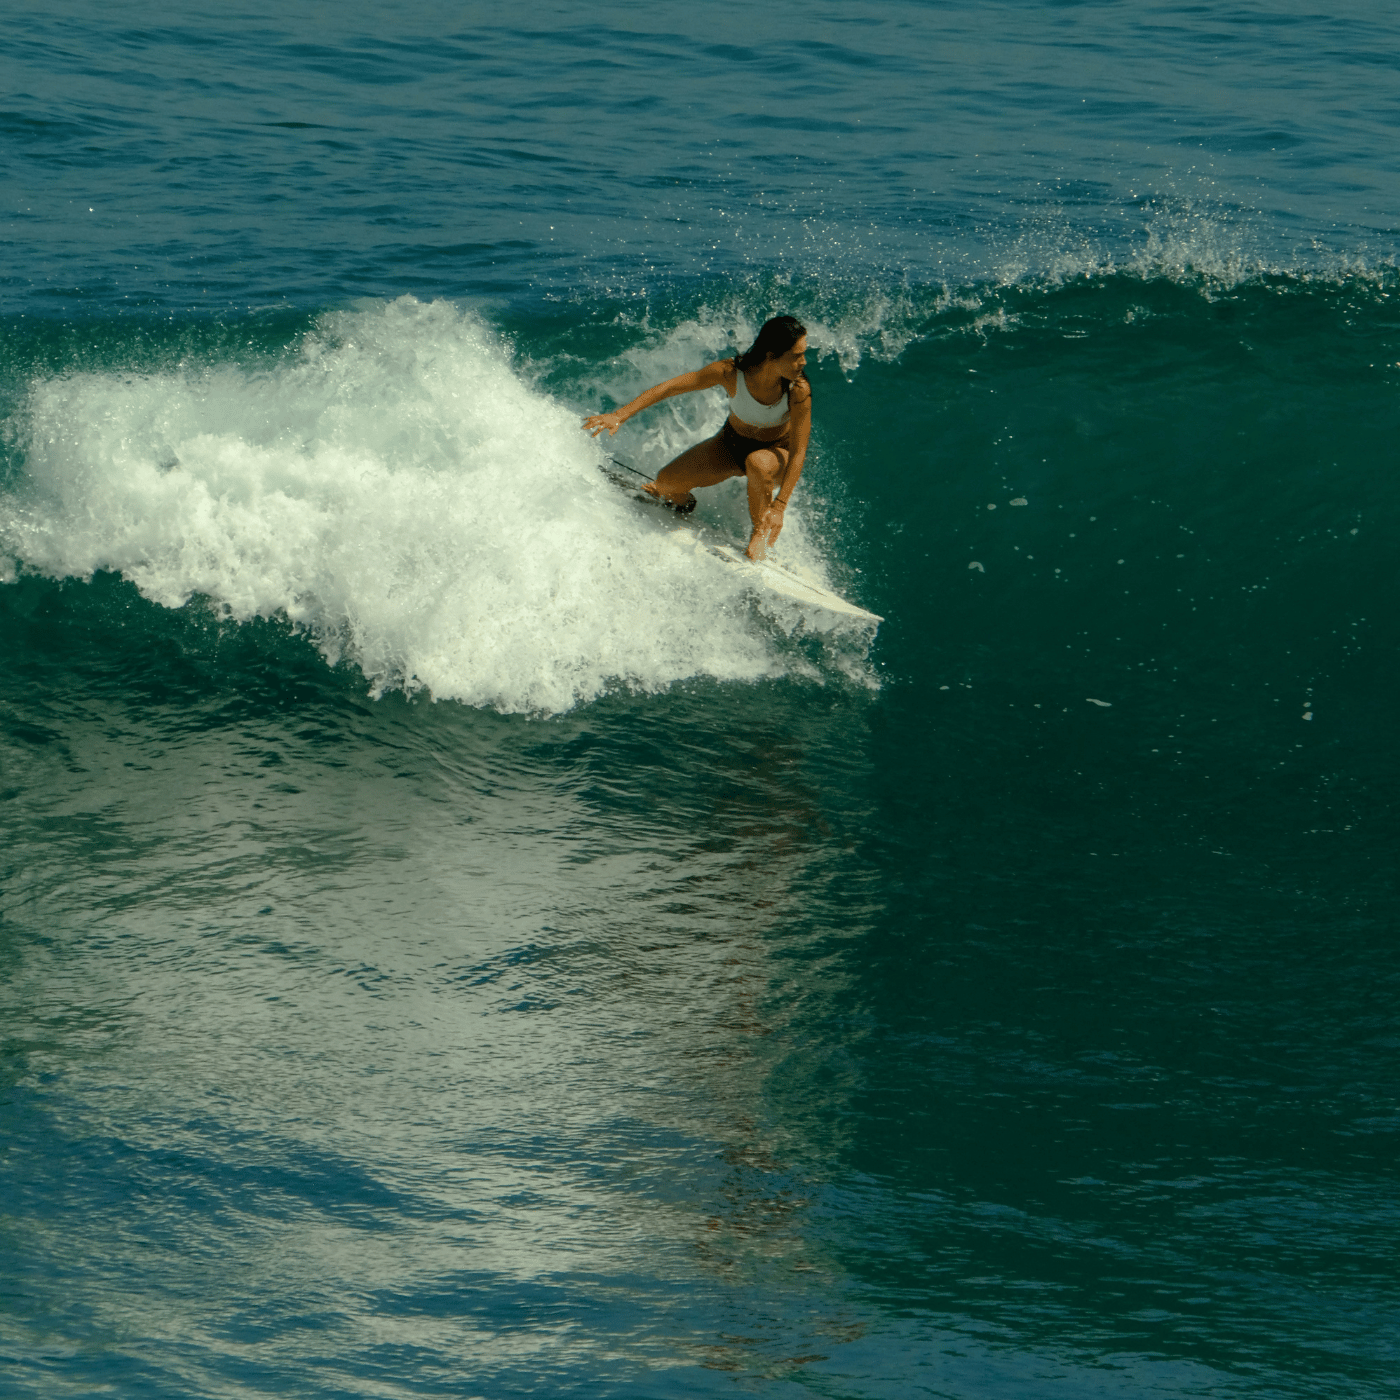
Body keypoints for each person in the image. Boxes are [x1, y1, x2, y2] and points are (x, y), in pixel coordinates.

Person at [583, 316, 811, 561]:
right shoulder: (731, 373)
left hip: (776, 454)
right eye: (795, 355)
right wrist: (619, 415)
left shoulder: (797, 390)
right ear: (770, 354)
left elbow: (798, 451)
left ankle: (760, 534)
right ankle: (684, 504)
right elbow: (671, 387)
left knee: (758, 463)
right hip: (730, 444)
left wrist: (779, 507)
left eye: (803, 354)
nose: (803, 362)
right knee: (666, 483)